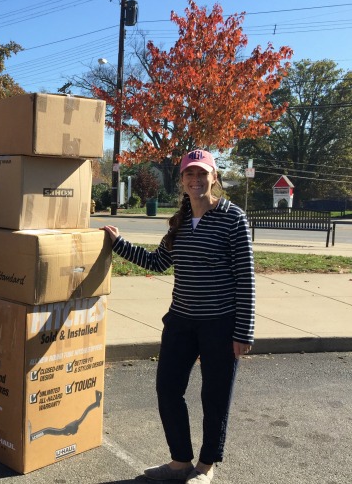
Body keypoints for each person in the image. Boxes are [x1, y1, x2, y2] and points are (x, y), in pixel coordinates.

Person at [102, 149, 255, 484]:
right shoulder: (180, 221)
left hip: (220, 323)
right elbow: (158, 262)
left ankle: (205, 467)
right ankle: (180, 461)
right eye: (190, 174)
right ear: (182, 180)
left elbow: (246, 277)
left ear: (214, 177)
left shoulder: (233, 218)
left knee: (214, 397)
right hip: (181, 322)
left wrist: (244, 331)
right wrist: (119, 244)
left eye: (203, 174)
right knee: (168, 389)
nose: (196, 180)